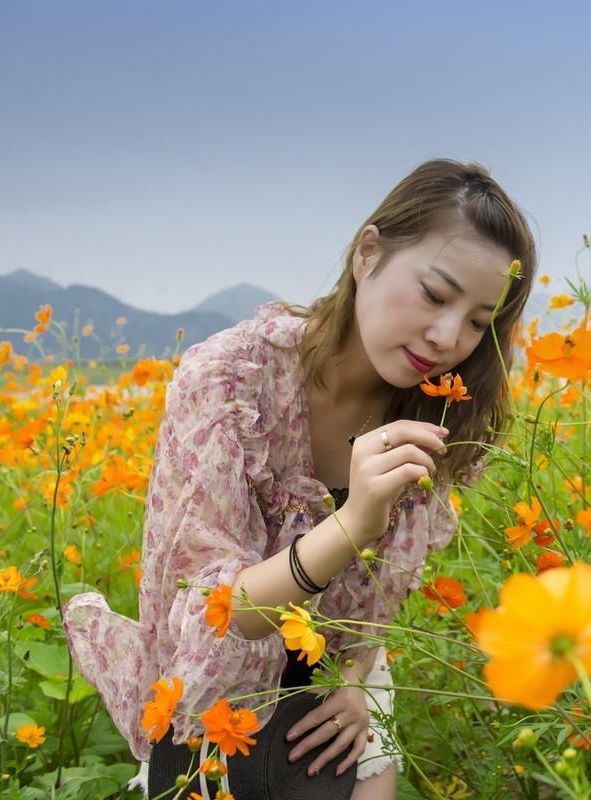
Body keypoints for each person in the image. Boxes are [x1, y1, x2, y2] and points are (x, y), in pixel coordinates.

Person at [64, 160, 537, 799]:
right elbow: (219, 615)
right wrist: (351, 524)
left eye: (480, 322)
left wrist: (361, 674)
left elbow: (382, 595)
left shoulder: (441, 408)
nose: (448, 337)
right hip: (214, 688)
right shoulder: (229, 382)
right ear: (368, 254)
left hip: (340, 680)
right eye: (434, 294)